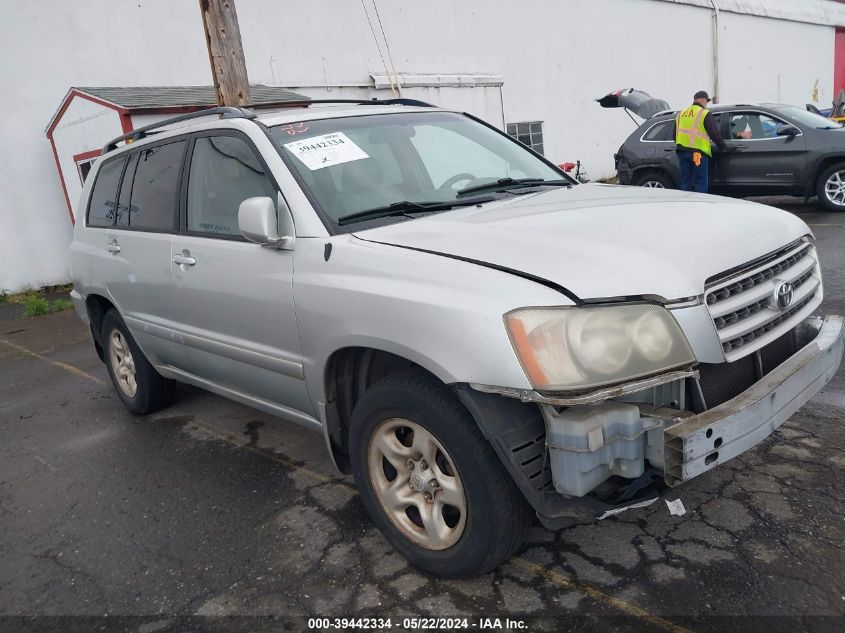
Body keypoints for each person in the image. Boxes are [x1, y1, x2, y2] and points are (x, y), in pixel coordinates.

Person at [674, 90, 729, 193]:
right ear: (703, 100)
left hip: (682, 152)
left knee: (685, 182)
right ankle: (700, 206)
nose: (706, 104)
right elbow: (714, 133)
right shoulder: (704, 113)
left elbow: (675, 134)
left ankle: (685, 204)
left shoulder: (681, 114)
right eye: (706, 102)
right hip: (697, 153)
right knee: (701, 182)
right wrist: (723, 147)